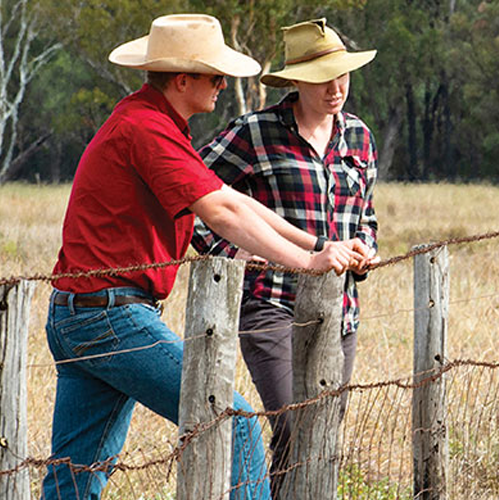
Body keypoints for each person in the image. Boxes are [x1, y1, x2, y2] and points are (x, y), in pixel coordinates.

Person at [41, 14, 373, 500]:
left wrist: (317, 247)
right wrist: (308, 264)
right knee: (230, 422)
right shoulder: (146, 129)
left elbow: (238, 201)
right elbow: (220, 213)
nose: (222, 85)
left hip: (86, 313)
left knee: (74, 478)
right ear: (182, 80)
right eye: (214, 76)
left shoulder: (154, 122)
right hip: (109, 314)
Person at [190, 18, 378, 497]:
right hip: (271, 303)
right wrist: (235, 254)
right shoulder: (255, 132)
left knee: (321, 436)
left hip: (340, 308)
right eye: (322, 78)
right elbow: (187, 192)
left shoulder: (358, 137)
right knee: (294, 424)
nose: (336, 88)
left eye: (343, 75)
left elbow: (366, 215)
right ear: (295, 82)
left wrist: (365, 246)